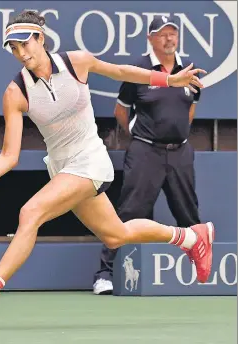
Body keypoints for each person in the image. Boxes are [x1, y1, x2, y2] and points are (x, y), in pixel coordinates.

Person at [0, 11, 212, 327]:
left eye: (24, 44)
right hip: (62, 168)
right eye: (13, 48)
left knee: (31, 213)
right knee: (116, 235)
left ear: (40, 38)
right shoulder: (15, 93)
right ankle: (192, 237)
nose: (21, 53)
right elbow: (8, 156)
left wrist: (168, 79)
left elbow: (121, 71)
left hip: (90, 161)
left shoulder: (77, 62)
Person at [93, 16, 204, 295]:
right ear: (151, 38)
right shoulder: (137, 70)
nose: (169, 39)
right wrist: (141, 133)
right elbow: (121, 111)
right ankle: (105, 275)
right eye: (162, 34)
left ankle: (200, 277)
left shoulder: (189, 70)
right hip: (145, 152)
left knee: (189, 215)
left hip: (180, 153)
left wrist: (176, 132)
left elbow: (190, 107)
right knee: (130, 213)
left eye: (173, 34)